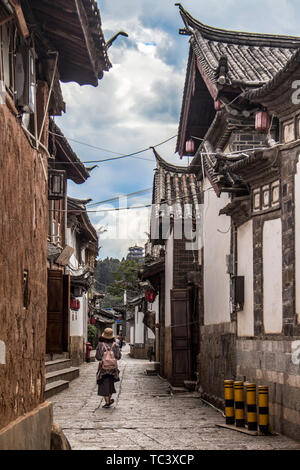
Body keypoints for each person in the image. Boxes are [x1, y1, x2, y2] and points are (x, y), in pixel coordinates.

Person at [96, 328, 121, 408]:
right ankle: (109, 400)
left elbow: (98, 357)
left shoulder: (100, 344)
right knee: (110, 383)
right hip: (113, 369)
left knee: (103, 384)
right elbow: (118, 356)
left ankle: (107, 402)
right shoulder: (115, 345)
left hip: (103, 368)